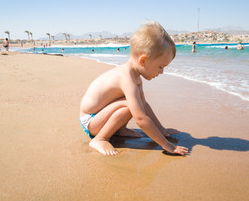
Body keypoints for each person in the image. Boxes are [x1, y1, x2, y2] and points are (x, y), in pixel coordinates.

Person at [79, 21, 188, 156]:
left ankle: (118, 130)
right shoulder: (126, 79)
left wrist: (161, 130)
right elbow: (140, 118)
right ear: (143, 60)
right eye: (160, 66)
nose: (162, 72)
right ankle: (100, 139)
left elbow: (144, 105)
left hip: (101, 116)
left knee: (135, 103)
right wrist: (166, 145)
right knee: (131, 105)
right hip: (90, 121)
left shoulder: (135, 77)